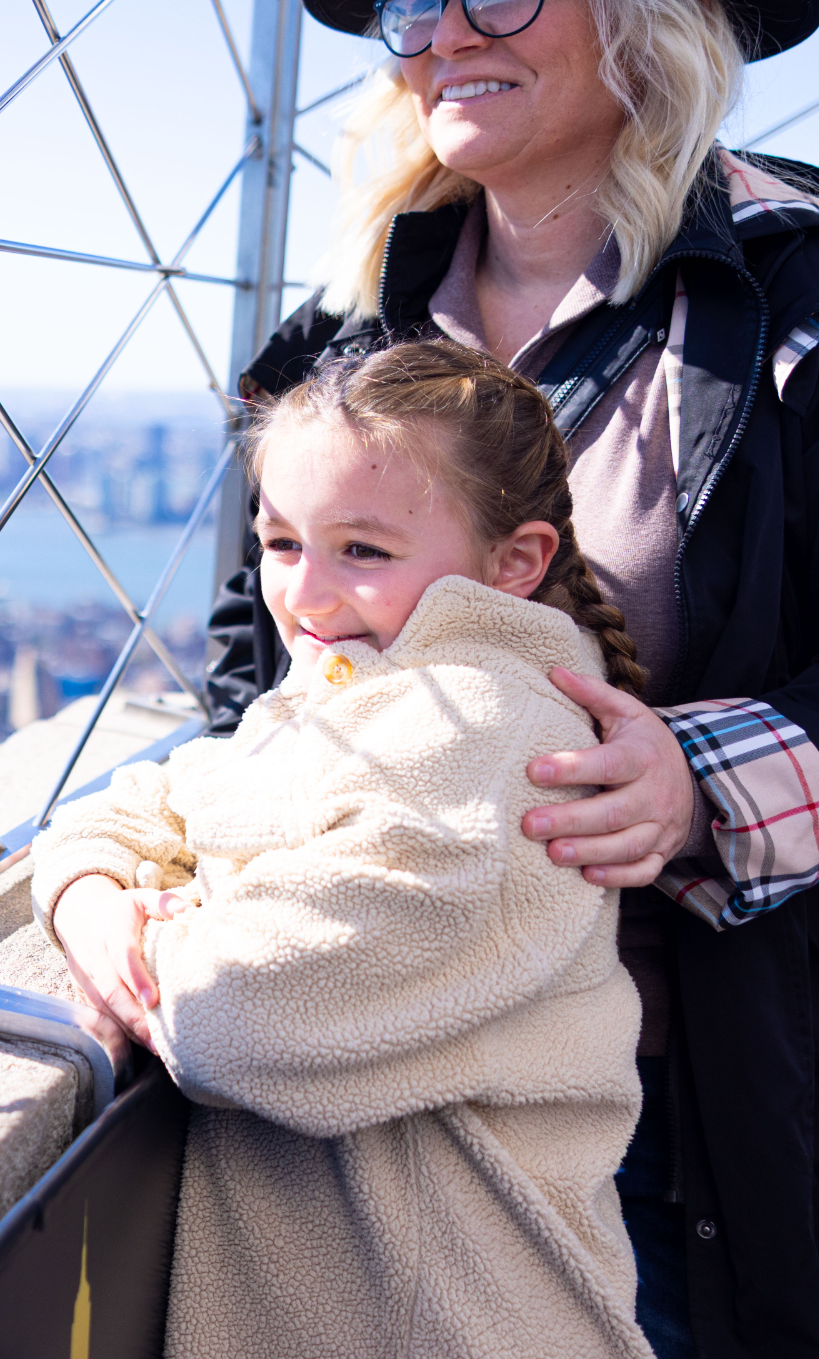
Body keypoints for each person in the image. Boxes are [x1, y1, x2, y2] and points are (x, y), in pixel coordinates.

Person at [161, 0, 819, 1359]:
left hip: (729, 1093)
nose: (443, 36)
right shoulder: (349, 346)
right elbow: (253, 651)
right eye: (417, 4)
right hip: (401, 1049)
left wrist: (707, 782)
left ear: (650, 17)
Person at [37, 341, 656, 1359]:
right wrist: (105, 904)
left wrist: (165, 926)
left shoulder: (483, 738)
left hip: (449, 1323)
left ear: (516, 561)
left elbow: (238, 1011)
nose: (305, 596)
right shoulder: (354, 691)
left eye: (361, 551)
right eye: (280, 543)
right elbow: (129, 809)